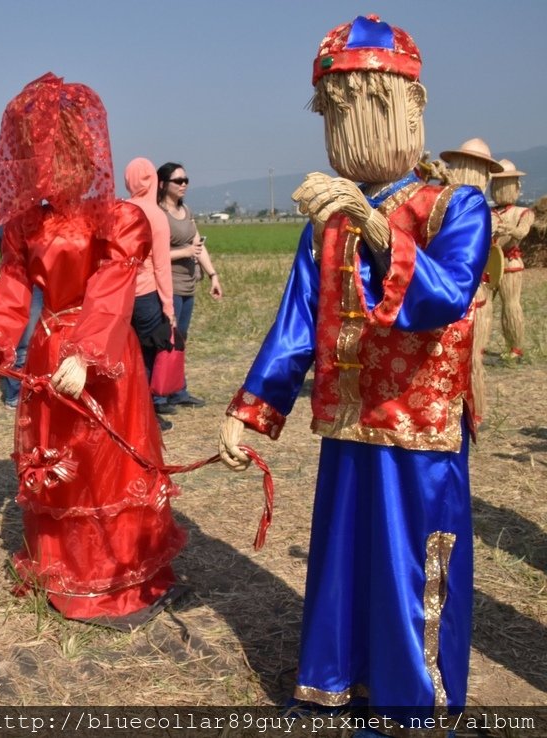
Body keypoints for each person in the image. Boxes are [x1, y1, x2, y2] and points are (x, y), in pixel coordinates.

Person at [217, 15, 489, 731]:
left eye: (363, 108)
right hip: (347, 426)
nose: (348, 131)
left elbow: (446, 297)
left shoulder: (456, 205)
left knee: (409, 575)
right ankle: (333, 689)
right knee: (343, 569)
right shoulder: (326, 222)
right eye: (335, 115)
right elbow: (297, 325)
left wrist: (372, 225)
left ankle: (412, 709)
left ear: (410, 107)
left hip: (420, 433)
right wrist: (248, 413)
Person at [0, 72, 185, 625]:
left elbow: (111, 292)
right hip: (48, 353)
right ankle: (64, 568)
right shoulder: (24, 227)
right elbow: (13, 288)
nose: (47, 163)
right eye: (36, 151)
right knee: (60, 458)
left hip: (102, 353)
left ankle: (116, 574)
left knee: (104, 456)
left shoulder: (118, 219)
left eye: (58, 149)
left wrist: (84, 351)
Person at [438, 137, 502, 424]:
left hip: (467, 295)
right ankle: (462, 412)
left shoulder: (472, 213)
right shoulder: (459, 210)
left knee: (471, 357)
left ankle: (470, 412)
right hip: (464, 296)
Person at [156, 162, 222, 411]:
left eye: (186, 180)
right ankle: (159, 395)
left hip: (188, 286)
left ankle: (177, 390)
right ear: (163, 184)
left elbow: (198, 244)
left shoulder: (186, 210)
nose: (184, 184)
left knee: (181, 340)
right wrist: (183, 251)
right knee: (166, 340)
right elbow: (154, 253)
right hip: (168, 285)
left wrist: (212, 275)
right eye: (178, 181)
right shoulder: (158, 214)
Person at [124, 157, 176, 431]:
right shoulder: (155, 215)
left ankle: (122, 413)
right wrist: (169, 308)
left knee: (123, 357)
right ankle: (144, 418)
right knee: (147, 357)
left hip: (118, 296)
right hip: (146, 296)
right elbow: (161, 266)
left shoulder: (119, 211)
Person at [0, 223, 43, 410]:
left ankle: (23, 389)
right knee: (22, 341)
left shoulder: (39, 215)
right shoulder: (6, 222)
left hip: (32, 281)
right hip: (23, 280)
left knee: (32, 339)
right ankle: (15, 393)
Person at [489, 158, 534, 362]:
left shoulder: (523, 212)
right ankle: (478, 345)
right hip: (490, 264)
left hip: (510, 263)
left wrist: (508, 229)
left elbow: (522, 232)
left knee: (511, 305)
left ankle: (515, 347)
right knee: (484, 306)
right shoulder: (488, 213)